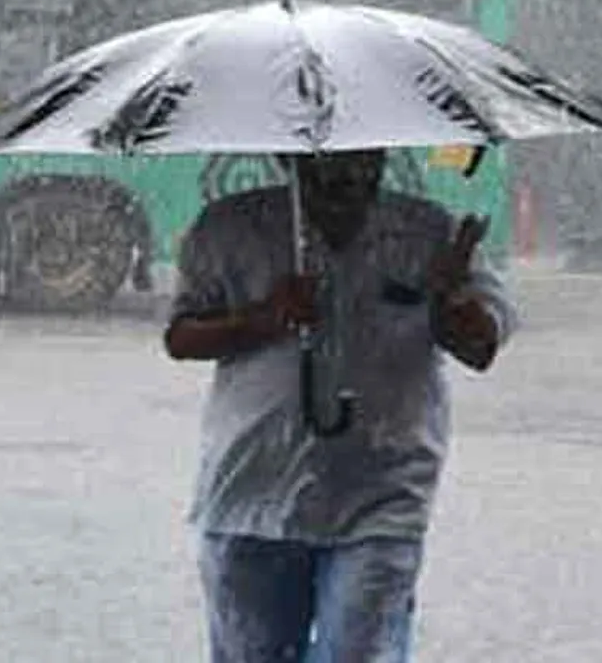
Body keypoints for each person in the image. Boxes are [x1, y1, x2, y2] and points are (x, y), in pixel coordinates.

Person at [165, 149, 517, 662]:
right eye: (326, 164)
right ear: (289, 159)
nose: (347, 176)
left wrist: (451, 298)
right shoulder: (227, 228)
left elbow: (479, 346)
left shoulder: (427, 233)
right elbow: (181, 336)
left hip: (380, 494)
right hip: (250, 492)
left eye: (363, 161)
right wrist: (264, 317)